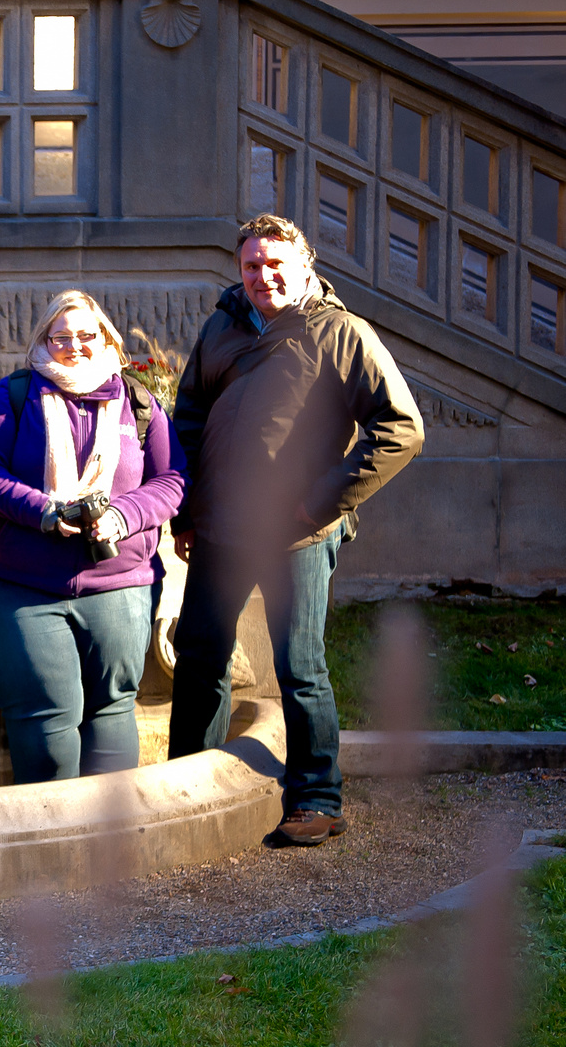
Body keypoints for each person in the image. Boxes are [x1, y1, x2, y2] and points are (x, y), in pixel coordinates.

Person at [168, 213, 424, 847]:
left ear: (305, 267)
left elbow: (402, 430)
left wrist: (320, 503)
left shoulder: (342, 334)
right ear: (239, 269)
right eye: (253, 265)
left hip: (300, 532)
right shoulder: (222, 327)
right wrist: (185, 510)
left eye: (277, 264)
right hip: (221, 527)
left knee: (299, 665)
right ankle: (186, 793)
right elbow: (189, 417)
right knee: (200, 660)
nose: (265, 276)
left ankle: (316, 798)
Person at [0, 291, 187, 783]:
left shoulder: (137, 401)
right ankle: (53, 840)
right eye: (60, 337)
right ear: (44, 341)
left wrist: (123, 515)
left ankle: (109, 844)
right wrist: (42, 510)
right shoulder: (14, 394)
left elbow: (172, 478)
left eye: (86, 335)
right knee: (45, 718)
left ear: (106, 338)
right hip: (22, 585)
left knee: (112, 711)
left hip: (120, 580)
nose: (74, 346)